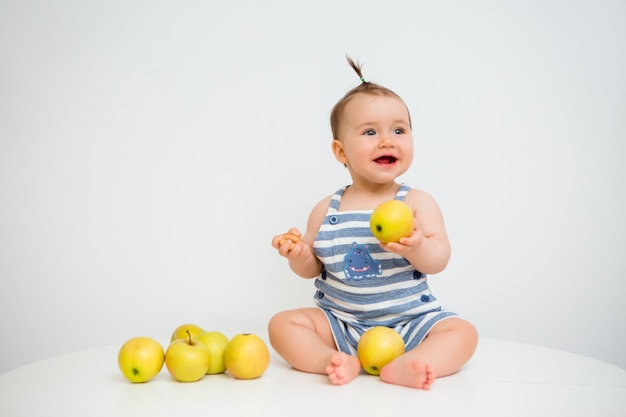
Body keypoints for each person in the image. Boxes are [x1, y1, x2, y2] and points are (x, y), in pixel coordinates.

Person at [268, 57, 478, 390]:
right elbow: (311, 269)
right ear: (341, 152)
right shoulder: (326, 209)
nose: (387, 140)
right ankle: (332, 360)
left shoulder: (416, 203)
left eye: (399, 130)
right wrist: (299, 255)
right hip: (341, 323)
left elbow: (439, 260)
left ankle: (411, 362)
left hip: (410, 322)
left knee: (463, 333)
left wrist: (420, 245)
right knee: (282, 324)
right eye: (370, 132)